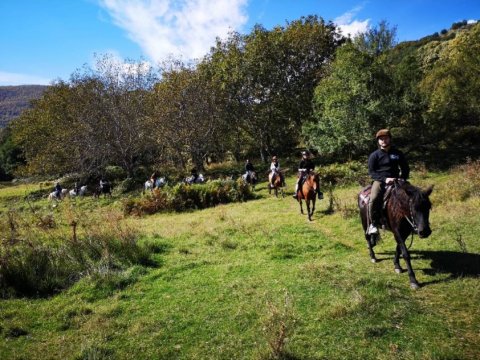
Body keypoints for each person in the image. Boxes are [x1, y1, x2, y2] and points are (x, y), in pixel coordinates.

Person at [367, 129, 410, 235]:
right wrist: (385, 179)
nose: (383, 140)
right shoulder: (374, 155)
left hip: (397, 180)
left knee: (413, 196)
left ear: (390, 139)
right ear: (378, 141)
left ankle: (414, 222)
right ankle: (373, 224)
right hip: (380, 181)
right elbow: (372, 172)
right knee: (373, 198)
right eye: (381, 139)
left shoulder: (397, 153)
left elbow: (405, 168)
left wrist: (402, 178)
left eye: (385, 138)